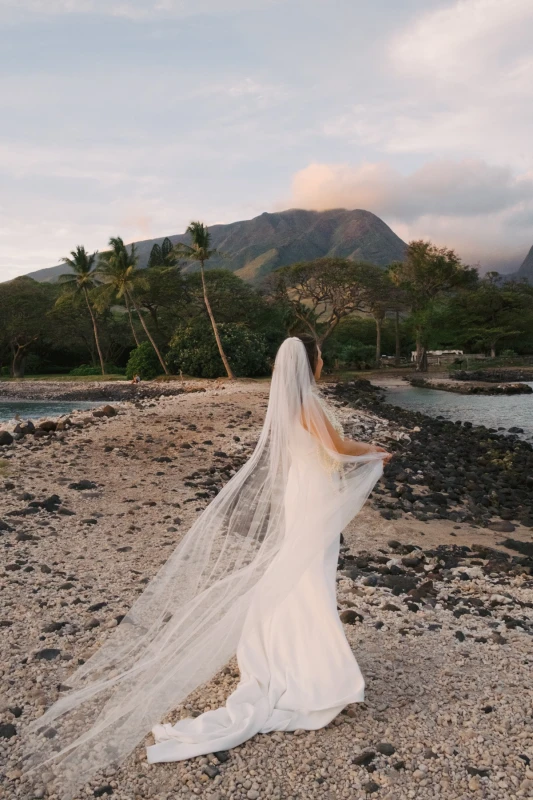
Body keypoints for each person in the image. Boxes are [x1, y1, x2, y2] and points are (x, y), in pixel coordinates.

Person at [22, 335, 390, 798]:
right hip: (311, 495)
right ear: (311, 363)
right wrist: (374, 450)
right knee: (310, 579)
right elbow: (335, 445)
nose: (322, 362)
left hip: (302, 492)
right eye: (319, 357)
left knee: (300, 577)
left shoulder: (289, 405)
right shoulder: (309, 403)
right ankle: (315, 673)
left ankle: (293, 657)